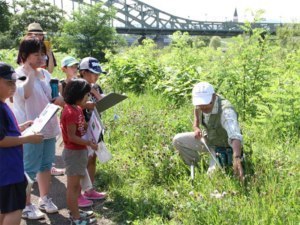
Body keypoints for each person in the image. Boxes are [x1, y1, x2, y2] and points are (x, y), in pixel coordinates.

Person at [13, 37, 61, 219]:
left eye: (43, 54)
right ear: (25, 55)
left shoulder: (46, 74)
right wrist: (32, 72)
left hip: (47, 125)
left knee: (46, 164)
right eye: (36, 54)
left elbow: (51, 98)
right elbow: (24, 94)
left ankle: (44, 198)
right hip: (30, 128)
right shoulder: (17, 74)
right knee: (29, 167)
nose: (42, 58)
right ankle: (25, 205)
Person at [0, 62, 44, 225]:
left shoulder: (3, 104)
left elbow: (4, 132)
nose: (14, 86)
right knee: (14, 210)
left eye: (15, 82)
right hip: (8, 171)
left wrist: (21, 127)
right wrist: (27, 139)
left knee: (5, 208)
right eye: (9, 82)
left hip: (7, 170)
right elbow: (1, 140)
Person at [172, 81, 244, 180]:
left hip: (223, 149)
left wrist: (236, 159)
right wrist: (196, 126)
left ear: (214, 96)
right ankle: (195, 168)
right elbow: (197, 109)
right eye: (200, 104)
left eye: (206, 104)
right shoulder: (201, 103)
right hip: (208, 140)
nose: (203, 107)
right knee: (178, 140)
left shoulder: (226, 111)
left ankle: (222, 164)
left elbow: (235, 136)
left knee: (211, 178)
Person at [61, 79, 97, 225]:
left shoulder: (76, 109)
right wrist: (88, 142)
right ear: (78, 96)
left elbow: (79, 127)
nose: (88, 99)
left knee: (76, 186)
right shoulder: (70, 111)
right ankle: (75, 218)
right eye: (87, 96)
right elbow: (72, 136)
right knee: (73, 186)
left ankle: (75, 211)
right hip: (73, 153)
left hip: (79, 152)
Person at [77, 57, 107, 207]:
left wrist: (95, 92)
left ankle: (89, 189)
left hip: (95, 127)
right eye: (94, 74)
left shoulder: (97, 88)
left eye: (98, 74)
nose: (97, 77)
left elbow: (101, 105)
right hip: (81, 129)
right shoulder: (75, 87)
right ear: (83, 72)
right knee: (80, 160)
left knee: (92, 157)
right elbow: (71, 107)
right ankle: (77, 193)